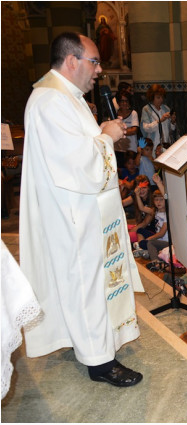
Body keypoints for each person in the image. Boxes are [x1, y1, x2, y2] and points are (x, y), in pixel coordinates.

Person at [20, 32, 143, 387]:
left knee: (89, 284)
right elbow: (82, 166)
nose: (100, 70)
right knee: (86, 285)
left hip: (82, 213)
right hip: (73, 218)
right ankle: (100, 363)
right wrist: (106, 136)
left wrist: (104, 134)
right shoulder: (50, 102)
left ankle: (92, 344)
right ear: (71, 60)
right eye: (94, 62)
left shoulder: (64, 97)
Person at [140, 84, 176, 153]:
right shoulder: (146, 109)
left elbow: (172, 129)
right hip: (152, 145)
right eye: (158, 97)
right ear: (152, 97)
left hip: (166, 144)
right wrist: (160, 121)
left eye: (162, 97)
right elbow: (146, 128)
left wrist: (173, 121)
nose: (161, 100)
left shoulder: (166, 108)